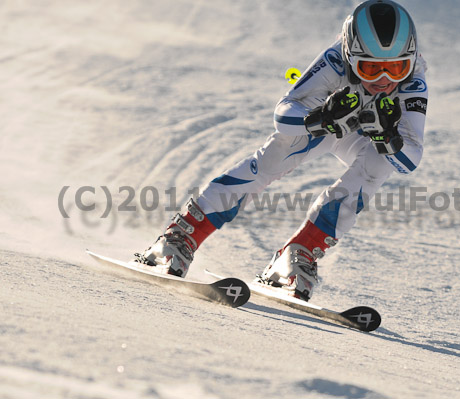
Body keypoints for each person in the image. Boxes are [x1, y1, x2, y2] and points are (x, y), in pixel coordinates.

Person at [135, 0, 428, 301]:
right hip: (322, 127)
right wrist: (321, 118)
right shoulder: (334, 61)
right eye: (370, 68)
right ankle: (182, 234)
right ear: (350, 55)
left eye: (396, 68)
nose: (384, 80)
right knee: (272, 159)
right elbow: (284, 114)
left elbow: (409, 160)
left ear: (410, 59)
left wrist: (387, 136)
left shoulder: (414, 81)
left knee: (379, 166)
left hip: (359, 137)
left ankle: (297, 253)